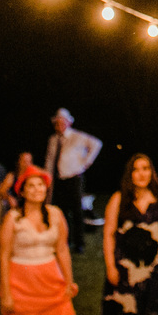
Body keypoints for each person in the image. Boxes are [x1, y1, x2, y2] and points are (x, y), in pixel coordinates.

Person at [0, 166, 77, 315]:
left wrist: (68, 281)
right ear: (22, 191)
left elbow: (62, 249)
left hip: (50, 278)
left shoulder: (55, 214)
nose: (37, 190)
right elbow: (4, 255)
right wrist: (6, 293)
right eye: (31, 186)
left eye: (40, 185)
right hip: (21, 281)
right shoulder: (13, 218)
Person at [102, 154, 158, 315]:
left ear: (151, 172)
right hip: (126, 268)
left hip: (156, 266)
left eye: (146, 168)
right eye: (136, 170)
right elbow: (108, 234)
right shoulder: (118, 199)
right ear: (130, 174)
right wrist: (110, 266)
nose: (142, 174)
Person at [45, 108, 102, 253]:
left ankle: (79, 243)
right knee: (62, 212)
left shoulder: (77, 136)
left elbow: (96, 144)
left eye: (62, 122)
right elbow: (50, 160)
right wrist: (47, 177)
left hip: (73, 178)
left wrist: (84, 163)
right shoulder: (53, 139)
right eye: (57, 123)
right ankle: (66, 240)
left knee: (77, 211)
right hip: (59, 179)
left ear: (68, 123)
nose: (59, 125)